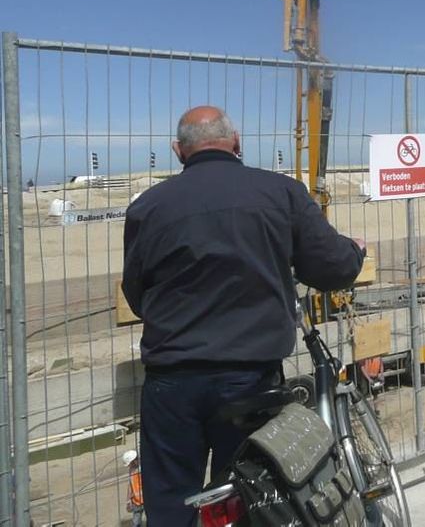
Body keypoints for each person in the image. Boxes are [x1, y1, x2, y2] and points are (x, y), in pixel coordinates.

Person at [122, 106, 366, 526]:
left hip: (172, 380)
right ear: (237, 143)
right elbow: (329, 268)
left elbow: (136, 293)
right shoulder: (279, 192)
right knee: (253, 494)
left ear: (178, 151)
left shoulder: (148, 207)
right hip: (251, 380)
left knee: (171, 504)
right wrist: (355, 252)